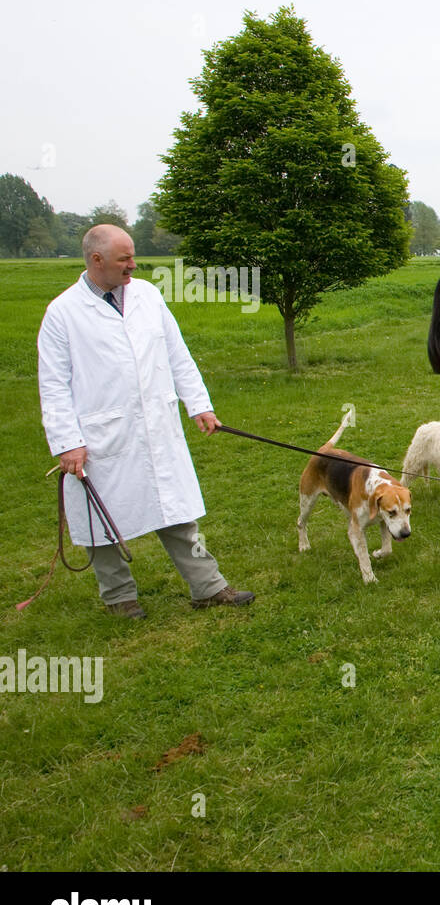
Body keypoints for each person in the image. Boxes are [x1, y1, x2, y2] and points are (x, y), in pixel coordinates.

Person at [36, 225, 254, 618]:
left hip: (156, 424)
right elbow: (52, 384)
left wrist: (199, 405)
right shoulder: (63, 313)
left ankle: (207, 586)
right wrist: (67, 442)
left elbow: (177, 354)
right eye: (125, 259)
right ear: (96, 260)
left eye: (132, 256)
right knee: (101, 519)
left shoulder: (147, 296)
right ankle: (119, 597)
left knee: (177, 511)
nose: (133, 265)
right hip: (100, 437)